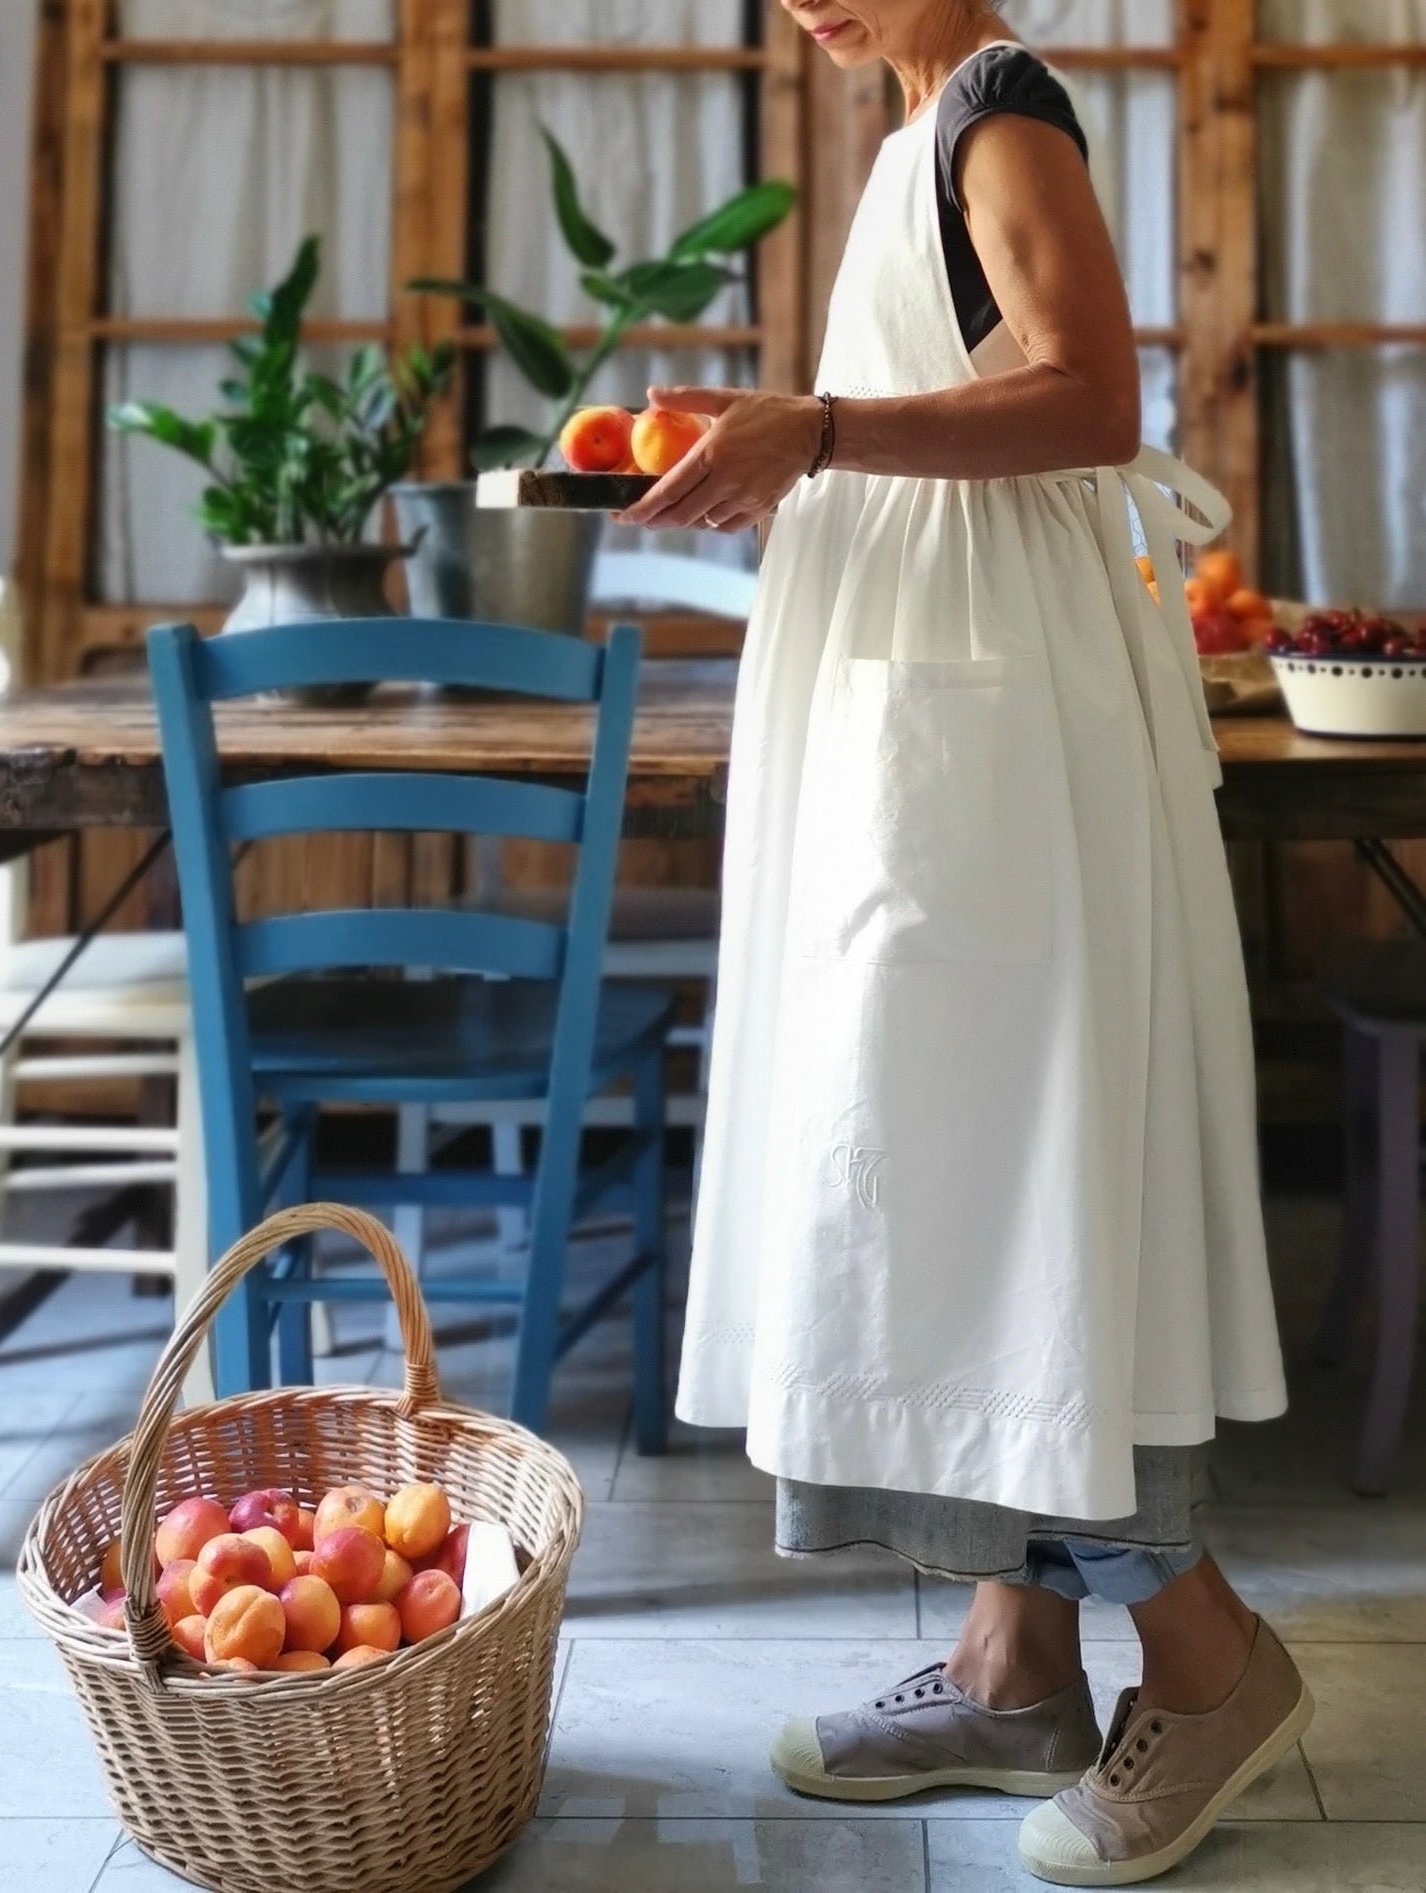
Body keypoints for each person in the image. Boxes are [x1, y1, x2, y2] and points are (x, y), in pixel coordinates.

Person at [621, 1, 1310, 1884]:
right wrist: (789, 442)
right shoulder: (915, 130)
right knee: (946, 1174)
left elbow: (1093, 399)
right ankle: (1016, 1668)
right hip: (939, 709)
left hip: (995, 729)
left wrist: (823, 429)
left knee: (1008, 1170)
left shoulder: (999, 112)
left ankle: (1210, 1657)